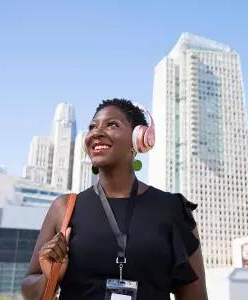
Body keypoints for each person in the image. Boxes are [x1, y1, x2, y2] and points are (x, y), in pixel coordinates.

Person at [21, 99, 207, 300]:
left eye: (112, 124)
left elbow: (195, 296)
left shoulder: (173, 210)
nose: (96, 132)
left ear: (139, 139)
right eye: (93, 126)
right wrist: (51, 275)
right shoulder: (64, 207)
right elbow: (28, 290)